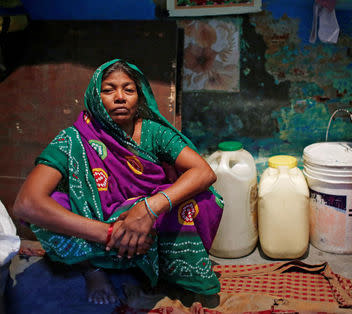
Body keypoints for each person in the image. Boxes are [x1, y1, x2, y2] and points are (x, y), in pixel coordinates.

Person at [12, 59, 224, 305]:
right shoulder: (73, 139)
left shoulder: (154, 133)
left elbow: (204, 172)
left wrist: (148, 209)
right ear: (94, 96)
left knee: (202, 199)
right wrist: (109, 233)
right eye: (109, 90)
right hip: (100, 230)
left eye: (129, 89)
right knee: (49, 206)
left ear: (140, 97)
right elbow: (26, 203)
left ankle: (170, 274)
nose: (120, 97)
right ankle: (93, 270)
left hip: (146, 226)